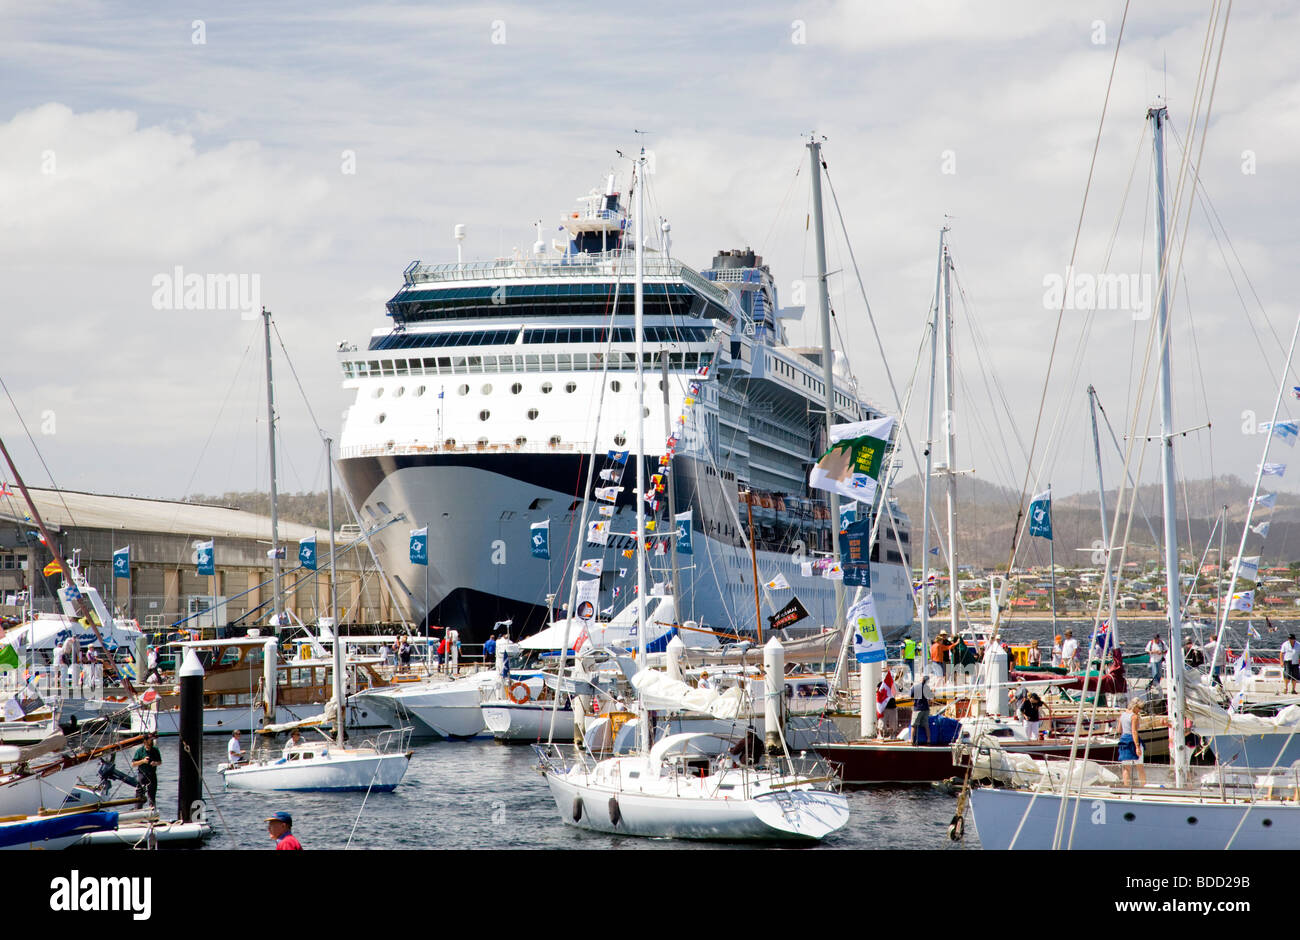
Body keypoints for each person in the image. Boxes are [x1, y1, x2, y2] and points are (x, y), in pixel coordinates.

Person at [1118, 699, 1145, 786]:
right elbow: (1134, 732)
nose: (1140, 710)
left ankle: (1126, 787)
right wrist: (1137, 747)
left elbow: (1119, 730)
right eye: (1139, 708)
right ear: (1135, 707)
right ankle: (1143, 787)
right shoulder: (1134, 717)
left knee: (1126, 768)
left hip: (1124, 741)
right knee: (1140, 767)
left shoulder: (1122, 715)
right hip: (1132, 741)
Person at [131, 732, 162, 807]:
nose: (151, 741)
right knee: (139, 796)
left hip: (152, 775)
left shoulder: (155, 750)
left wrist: (155, 763)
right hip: (142, 775)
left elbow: (160, 762)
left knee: (152, 797)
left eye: (152, 740)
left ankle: (152, 814)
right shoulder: (140, 751)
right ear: (145, 741)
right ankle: (138, 812)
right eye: (150, 740)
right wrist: (143, 761)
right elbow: (133, 764)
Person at [910, 673, 932, 746]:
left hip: (918, 708)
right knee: (926, 725)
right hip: (926, 708)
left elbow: (911, 695)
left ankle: (912, 740)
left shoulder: (915, 687)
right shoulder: (927, 687)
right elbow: (930, 698)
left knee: (914, 725)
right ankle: (928, 740)